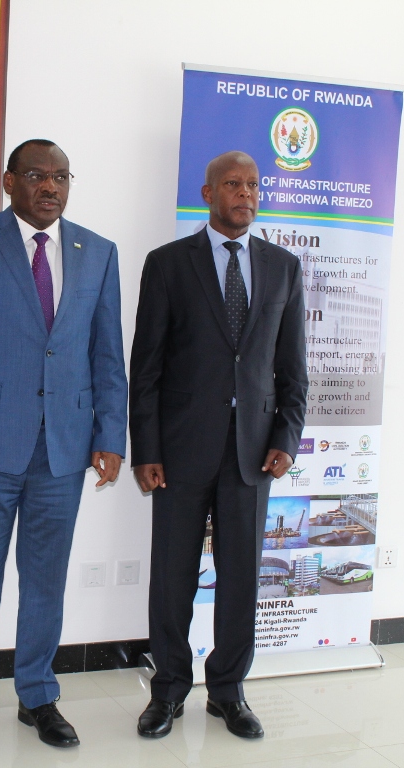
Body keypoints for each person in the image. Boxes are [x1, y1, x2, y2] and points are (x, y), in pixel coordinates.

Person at [0, 139, 127, 756]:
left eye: (61, 176)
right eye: (37, 175)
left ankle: (37, 694)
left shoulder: (98, 252)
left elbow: (107, 354)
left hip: (63, 448)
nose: (50, 187)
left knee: (46, 582)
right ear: (9, 181)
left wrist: (110, 435)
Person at [128, 151, 308, 739]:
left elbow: (293, 370)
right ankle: (168, 691)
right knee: (172, 577)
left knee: (241, 578)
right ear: (208, 193)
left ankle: (228, 691)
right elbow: (146, 367)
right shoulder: (168, 264)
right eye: (233, 184)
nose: (245, 193)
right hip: (180, 450)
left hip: (252, 453)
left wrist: (286, 438)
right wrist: (146, 448)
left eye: (253, 184)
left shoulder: (283, 267)